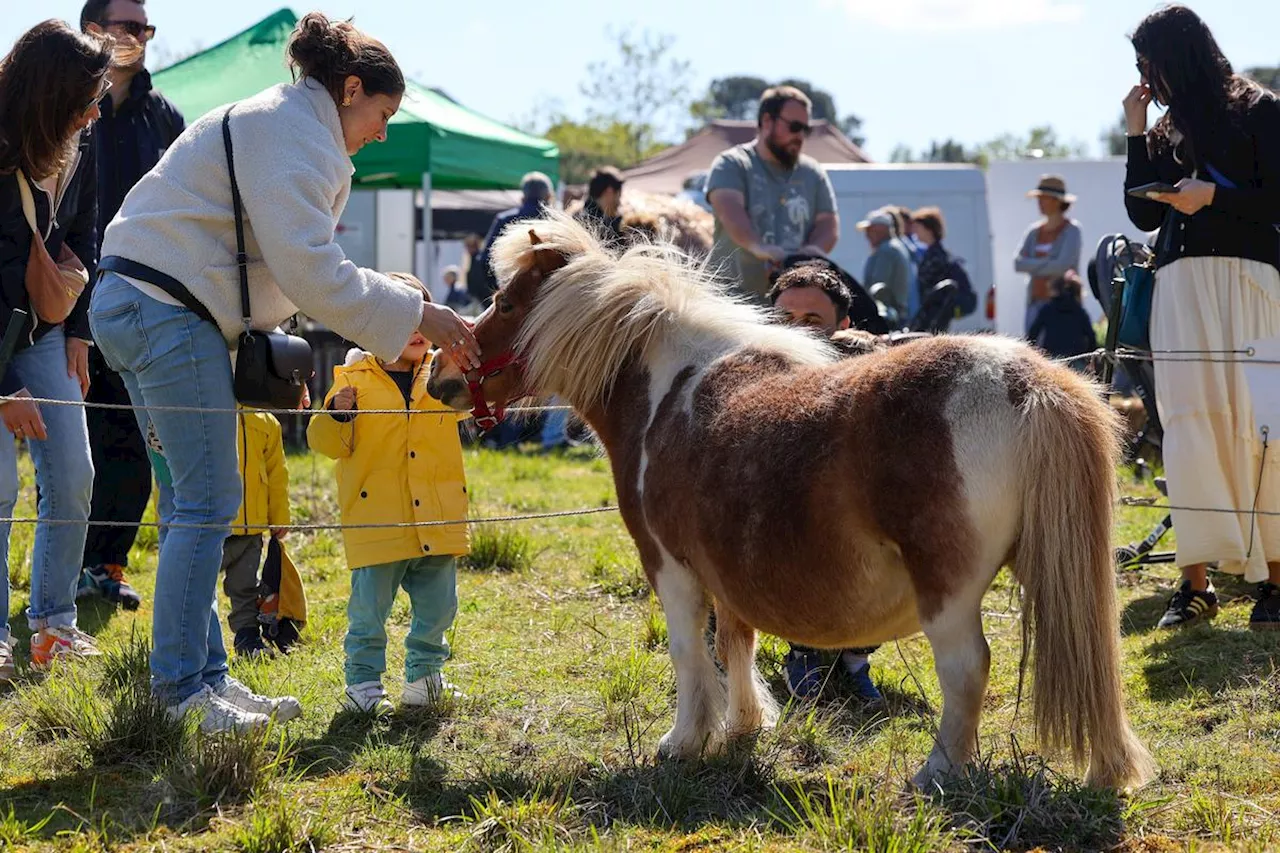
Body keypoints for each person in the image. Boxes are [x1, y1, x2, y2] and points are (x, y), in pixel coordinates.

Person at [88, 12, 481, 731]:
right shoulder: (294, 130)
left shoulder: (289, 122)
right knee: (208, 502)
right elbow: (311, 270)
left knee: (190, 506)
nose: (384, 132)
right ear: (351, 88)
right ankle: (179, 694)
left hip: (144, 304)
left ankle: (203, 678)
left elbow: (284, 262)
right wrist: (423, 316)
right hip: (162, 310)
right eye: (383, 114)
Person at [1123, 4, 1280, 630]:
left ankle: (1275, 578)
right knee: (1188, 425)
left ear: (1177, 56)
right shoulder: (1163, 130)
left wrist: (1212, 195)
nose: (1143, 76)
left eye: (1147, 63)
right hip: (1180, 284)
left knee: (1263, 421)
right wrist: (1135, 131)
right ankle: (1195, 585)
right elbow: (1143, 217)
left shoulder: (1260, 110)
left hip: (1251, 278)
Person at [0, 20, 113, 682]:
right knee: (1, 486)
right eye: (86, 98)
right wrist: (6, 385)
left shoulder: (80, 140)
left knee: (73, 472)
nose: (96, 112)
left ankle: (53, 625)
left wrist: (78, 331)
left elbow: (83, 233)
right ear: (47, 95)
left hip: (42, 331)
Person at [307, 281, 470, 714]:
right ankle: (362, 684)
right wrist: (337, 413)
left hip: (437, 515)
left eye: (423, 317)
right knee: (368, 614)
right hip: (376, 518)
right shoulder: (351, 381)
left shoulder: (442, 374)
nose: (418, 330)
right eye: (404, 318)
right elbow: (324, 443)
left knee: (439, 608)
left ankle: (424, 678)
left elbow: (472, 406)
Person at [75, 0, 186, 611]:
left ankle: (108, 564)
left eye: (146, 27)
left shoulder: (164, 116)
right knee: (78, 443)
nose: (140, 37)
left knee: (140, 439)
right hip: (67, 302)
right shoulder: (65, 107)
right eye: (127, 25)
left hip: (143, 302)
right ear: (92, 29)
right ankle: (66, 565)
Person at [765, 263, 884, 705]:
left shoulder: (867, 381)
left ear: (844, 326)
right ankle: (802, 652)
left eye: (813, 321)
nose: (796, 332)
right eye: (784, 321)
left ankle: (855, 660)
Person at [705, 85, 839, 303]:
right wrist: (761, 248)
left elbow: (828, 225)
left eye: (806, 130)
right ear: (767, 121)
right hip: (731, 303)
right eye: (795, 127)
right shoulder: (732, 164)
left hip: (791, 308)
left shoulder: (812, 173)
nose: (800, 136)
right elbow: (730, 213)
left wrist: (811, 252)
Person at [222, 408, 291, 658]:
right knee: (197, 586)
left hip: (251, 527)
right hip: (210, 527)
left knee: (245, 587)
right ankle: (194, 640)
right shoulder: (207, 410)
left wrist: (279, 515)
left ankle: (247, 637)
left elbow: (277, 473)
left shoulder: (265, 421)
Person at [1014, 175, 1083, 334]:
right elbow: (1018, 263)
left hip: (1063, 307)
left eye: (1044, 198)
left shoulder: (1072, 231)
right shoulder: (1033, 232)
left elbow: (1062, 266)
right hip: (1035, 303)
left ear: (1057, 201)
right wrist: (1049, 263)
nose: (1039, 203)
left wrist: (1032, 266)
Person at [475, 172, 554, 296]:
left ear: (522, 197)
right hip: (549, 300)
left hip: (513, 299)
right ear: (549, 196)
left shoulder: (504, 220)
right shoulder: (557, 223)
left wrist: (502, 292)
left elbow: (485, 260)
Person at [1025, 271, 1097, 369]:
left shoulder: (1047, 309)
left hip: (1053, 361)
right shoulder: (1079, 311)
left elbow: (1033, 334)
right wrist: (1088, 359)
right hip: (1076, 361)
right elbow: (1091, 337)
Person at [857, 208, 911, 318]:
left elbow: (878, 286)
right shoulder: (894, 247)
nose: (867, 235)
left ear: (881, 229)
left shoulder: (887, 251)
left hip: (888, 316)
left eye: (870, 230)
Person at [575, 166, 625, 246]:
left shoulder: (579, 216)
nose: (619, 203)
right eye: (618, 195)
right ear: (610, 191)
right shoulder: (594, 223)